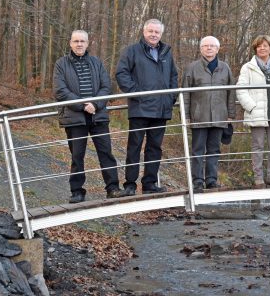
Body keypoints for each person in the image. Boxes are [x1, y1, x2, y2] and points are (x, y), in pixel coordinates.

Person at [53, 30, 125, 203]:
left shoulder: (96, 62)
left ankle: (113, 188)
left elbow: (106, 87)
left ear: (87, 43)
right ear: (70, 43)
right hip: (75, 117)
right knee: (77, 156)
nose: (79, 44)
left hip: (98, 116)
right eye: (76, 41)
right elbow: (60, 91)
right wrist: (83, 105)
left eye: (82, 41)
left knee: (106, 153)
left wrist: (96, 105)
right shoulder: (61, 64)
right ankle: (77, 191)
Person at [115, 19, 178, 195]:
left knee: (155, 148)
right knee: (134, 147)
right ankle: (130, 185)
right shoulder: (132, 51)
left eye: (157, 32)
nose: (153, 34)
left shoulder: (166, 53)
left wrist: (170, 97)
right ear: (144, 32)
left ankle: (149, 184)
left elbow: (174, 76)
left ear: (161, 34)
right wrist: (136, 93)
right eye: (150, 31)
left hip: (161, 109)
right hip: (140, 108)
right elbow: (121, 73)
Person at [183, 36, 236, 192]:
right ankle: (197, 181)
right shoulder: (192, 68)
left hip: (220, 116)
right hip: (198, 115)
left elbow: (230, 92)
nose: (209, 48)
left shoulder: (225, 68)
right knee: (197, 150)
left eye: (212, 46)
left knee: (214, 149)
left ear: (218, 49)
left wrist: (230, 114)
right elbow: (185, 94)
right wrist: (185, 115)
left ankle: (211, 180)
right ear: (200, 49)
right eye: (205, 46)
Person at [236, 35, 270, 186]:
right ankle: (258, 178)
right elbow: (240, 90)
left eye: (265, 46)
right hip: (257, 113)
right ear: (255, 49)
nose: (262, 48)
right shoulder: (248, 67)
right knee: (258, 145)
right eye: (259, 46)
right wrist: (251, 106)